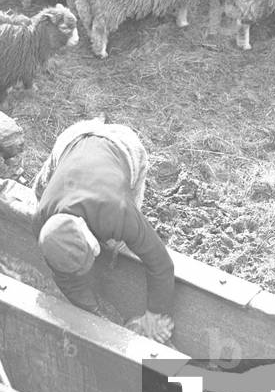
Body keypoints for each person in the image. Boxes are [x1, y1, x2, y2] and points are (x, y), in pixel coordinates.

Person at [32, 118, 176, 343]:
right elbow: (66, 279)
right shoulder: (41, 220)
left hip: (122, 146)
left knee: (120, 244)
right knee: (39, 190)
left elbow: (161, 264)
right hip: (70, 143)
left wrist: (154, 318)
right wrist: (98, 319)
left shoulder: (119, 213)